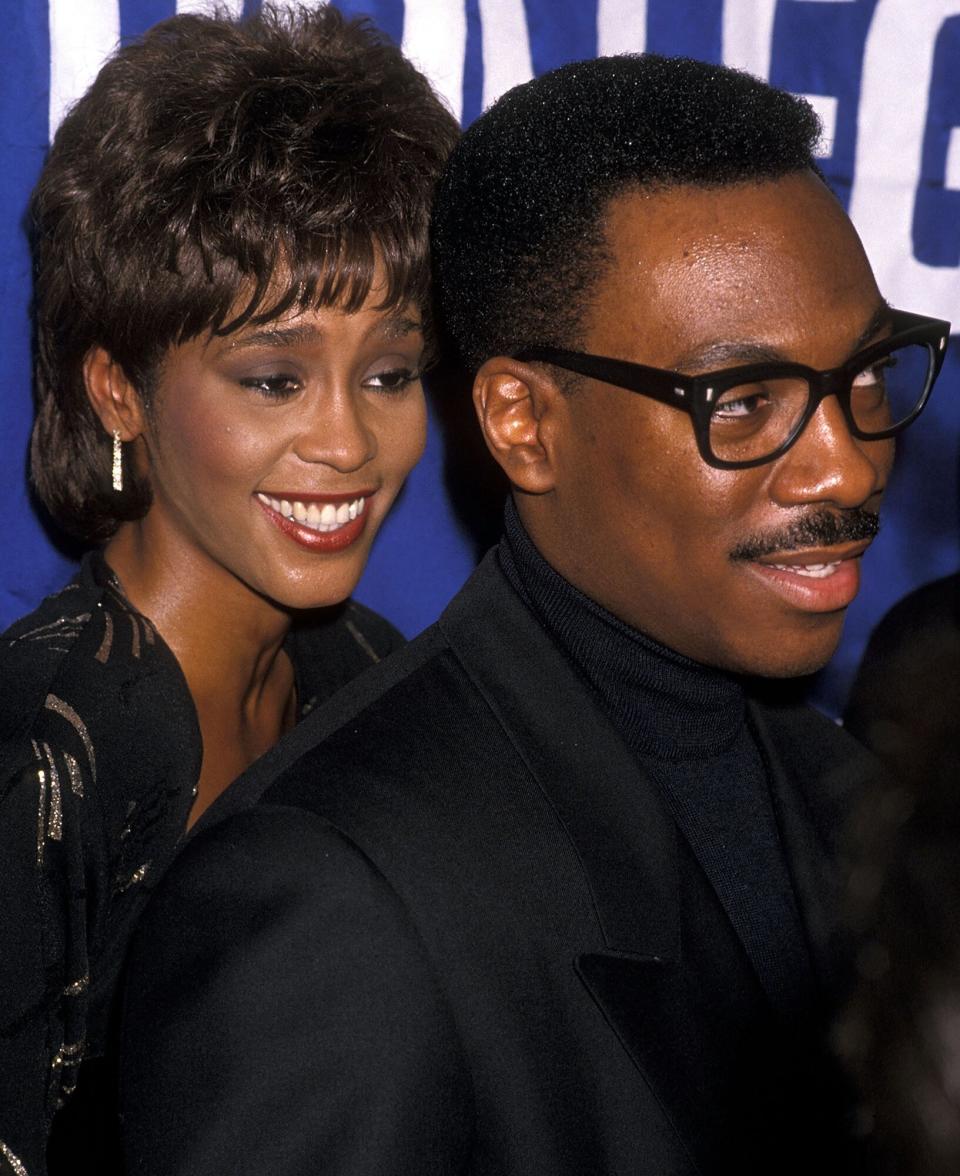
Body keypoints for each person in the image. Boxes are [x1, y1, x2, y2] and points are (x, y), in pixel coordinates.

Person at [116, 54, 949, 1173]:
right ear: (522, 421)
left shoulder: (850, 804)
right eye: (743, 402)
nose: (846, 467)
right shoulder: (334, 900)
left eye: (867, 375)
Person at [0, 6, 457, 1174]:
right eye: (274, 380)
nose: (349, 443)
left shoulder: (370, 668)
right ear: (117, 390)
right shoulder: (42, 758)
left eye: (393, 372)